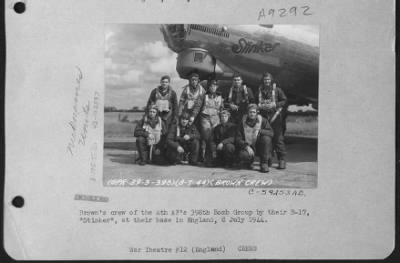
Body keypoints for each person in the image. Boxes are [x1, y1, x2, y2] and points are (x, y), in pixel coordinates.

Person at [254, 72, 288, 169]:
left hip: (275, 116)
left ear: (271, 80)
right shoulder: (259, 90)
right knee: (265, 139)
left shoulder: (277, 90)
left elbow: (285, 100)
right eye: (265, 80)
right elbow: (254, 102)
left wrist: (275, 105)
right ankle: (266, 160)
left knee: (278, 139)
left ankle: (281, 160)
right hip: (263, 118)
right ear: (263, 81)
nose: (267, 81)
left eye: (268, 79)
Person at [235, 104, 274, 173]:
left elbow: (271, 133)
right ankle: (249, 162)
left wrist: (260, 131)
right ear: (247, 112)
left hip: (260, 146)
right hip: (249, 146)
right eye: (250, 112)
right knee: (242, 155)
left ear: (257, 113)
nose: (252, 114)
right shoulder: (242, 121)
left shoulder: (263, 120)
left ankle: (264, 163)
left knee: (266, 139)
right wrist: (246, 146)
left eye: (254, 112)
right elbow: (238, 138)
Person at [198, 78, 224, 166]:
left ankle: (214, 158)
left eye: (214, 86)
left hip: (216, 119)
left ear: (217, 87)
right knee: (207, 138)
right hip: (205, 119)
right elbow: (198, 107)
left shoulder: (220, 97)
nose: (212, 88)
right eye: (211, 86)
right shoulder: (204, 96)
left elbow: (222, 109)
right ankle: (207, 158)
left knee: (215, 139)